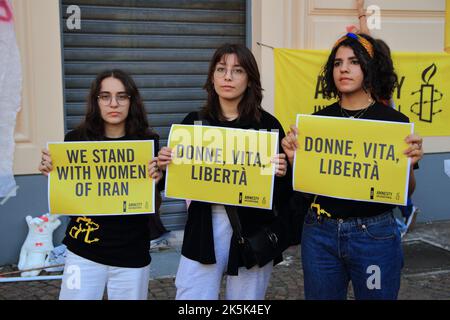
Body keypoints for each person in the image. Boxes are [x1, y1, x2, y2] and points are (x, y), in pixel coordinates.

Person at [281, 33, 424, 300]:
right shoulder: (317, 122)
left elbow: (406, 191)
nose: (343, 68)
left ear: (370, 68)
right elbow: (304, 188)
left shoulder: (394, 123)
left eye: (353, 62)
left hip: (375, 236)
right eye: (337, 63)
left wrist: (409, 165)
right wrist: (293, 161)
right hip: (320, 233)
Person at [157, 43, 292, 300]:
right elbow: (172, 183)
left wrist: (283, 173)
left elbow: (284, 195)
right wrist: (166, 166)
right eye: (221, 69)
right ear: (212, 77)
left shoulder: (267, 126)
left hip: (252, 231)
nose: (228, 77)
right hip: (202, 231)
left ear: (250, 79)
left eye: (237, 70)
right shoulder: (194, 123)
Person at [39, 69, 163, 300]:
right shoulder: (75, 140)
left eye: (121, 96)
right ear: (96, 101)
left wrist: (159, 176)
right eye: (105, 96)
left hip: (131, 251)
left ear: (131, 100)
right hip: (83, 249)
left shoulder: (148, 141)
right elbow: (68, 188)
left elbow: (157, 191)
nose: (113, 103)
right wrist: (52, 173)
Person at [353, 0, 420, 237]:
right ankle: (407, 210)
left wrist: (359, 19)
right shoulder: (382, 77)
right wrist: (360, 15)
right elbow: (367, 37)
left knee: (391, 175)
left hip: (379, 135)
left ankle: (405, 210)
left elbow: (365, 39)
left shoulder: (372, 84)